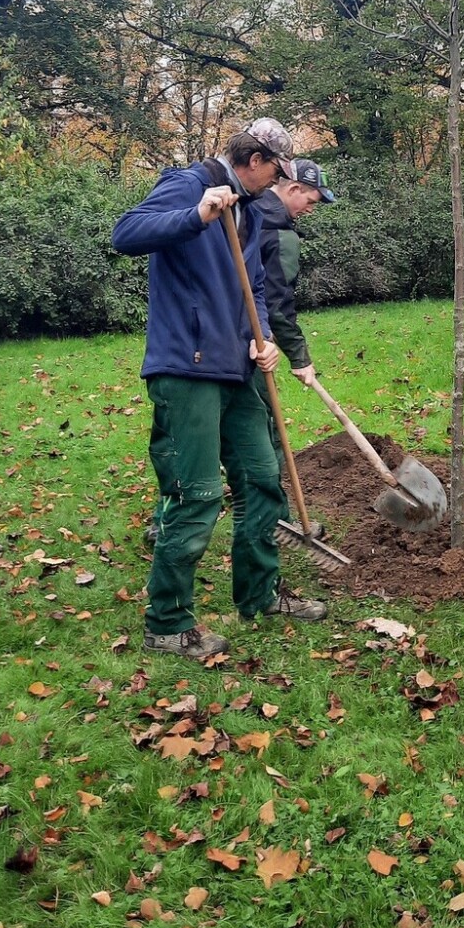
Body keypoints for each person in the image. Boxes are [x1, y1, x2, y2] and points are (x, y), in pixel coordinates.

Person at [112, 118, 327, 662]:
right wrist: (198, 213)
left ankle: (261, 595)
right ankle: (168, 623)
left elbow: (252, 284)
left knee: (261, 480)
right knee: (197, 494)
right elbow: (126, 234)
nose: (280, 182)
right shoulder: (188, 184)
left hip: (237, 368)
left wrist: (267, 340)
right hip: (186, 368)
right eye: (278, 171)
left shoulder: (252, 212)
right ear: (255, 160)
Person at [256, 158, 336, 389]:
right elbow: (277, 303)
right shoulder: (281, 237)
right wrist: (300, 357)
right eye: (310, 201)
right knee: (258, 415)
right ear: (293, 188)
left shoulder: (244, 208)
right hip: (249, 339)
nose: (310, 210)